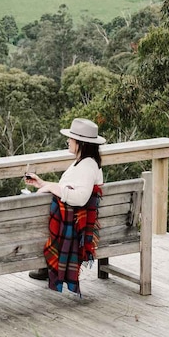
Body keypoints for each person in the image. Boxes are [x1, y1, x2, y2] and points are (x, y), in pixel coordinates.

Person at [23, 118, 105, 295]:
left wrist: (52, 187)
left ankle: (48, 266)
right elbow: (72, 188)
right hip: (75, 225)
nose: (68, 141)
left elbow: (80, 198)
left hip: (69, 229)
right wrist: (43, 183)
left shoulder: (87, 166)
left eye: (71, 139)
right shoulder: (86, 163)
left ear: (81, 143)